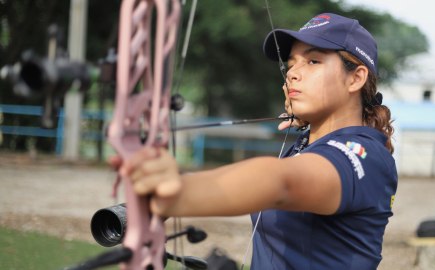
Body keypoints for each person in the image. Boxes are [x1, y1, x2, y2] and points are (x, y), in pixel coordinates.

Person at [113, 13, 397, 270]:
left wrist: (178, 194)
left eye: (313, 61)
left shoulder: (364, 155)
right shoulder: (307, 146)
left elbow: (281, 183)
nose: (293, 73)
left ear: (355, 78)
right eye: (291, 64)